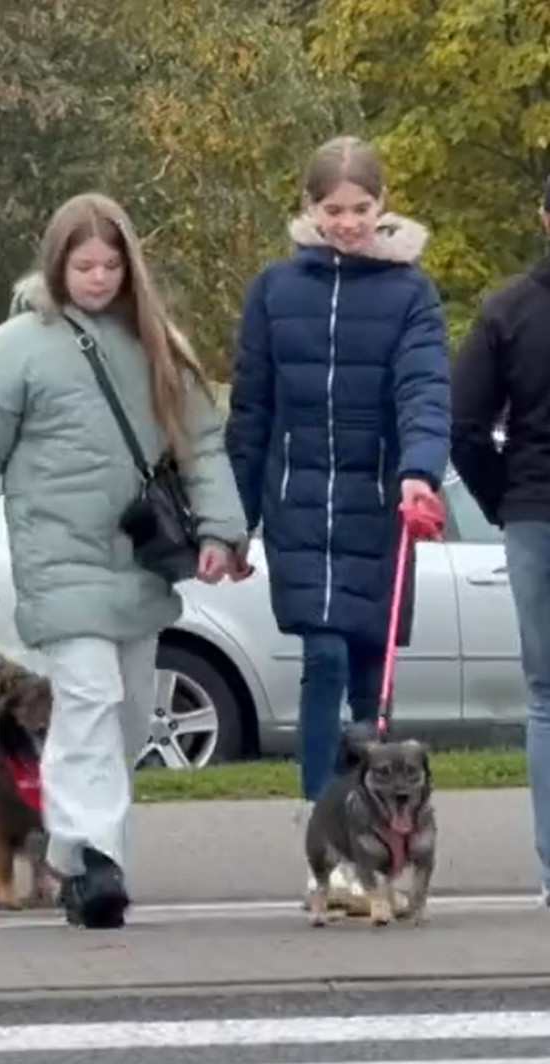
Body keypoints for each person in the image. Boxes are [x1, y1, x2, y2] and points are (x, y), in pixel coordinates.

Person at [0, 193, 246, 930]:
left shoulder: (158, 342)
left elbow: (201, 445)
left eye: (111, 264)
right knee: (90, 698)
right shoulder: (13, 348)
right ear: (57, 264)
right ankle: (102, 865)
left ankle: (70, 854)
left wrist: (222, 531)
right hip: (57, 553)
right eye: (84, 265)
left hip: (138, 554)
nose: (99, 278)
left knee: (133, 712)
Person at [226, 135, 450, 906]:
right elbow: (251, 409)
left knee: (366, 673)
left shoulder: (411, 293)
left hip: (376, 504)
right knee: (320, 655)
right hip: (298, 504)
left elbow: (424, 386)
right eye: (334, 210)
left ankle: (375, 835)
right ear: (310, 211)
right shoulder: (275, 290)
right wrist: (234, 520)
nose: (348, 222)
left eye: (361, 208)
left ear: (381, 206)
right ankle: (322, 829)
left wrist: (419, 468)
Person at [444, 172, 550, 908]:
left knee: (546, 698)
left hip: (534, 512)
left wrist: (502, 497)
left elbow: (463, 428)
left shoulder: (508, 310)